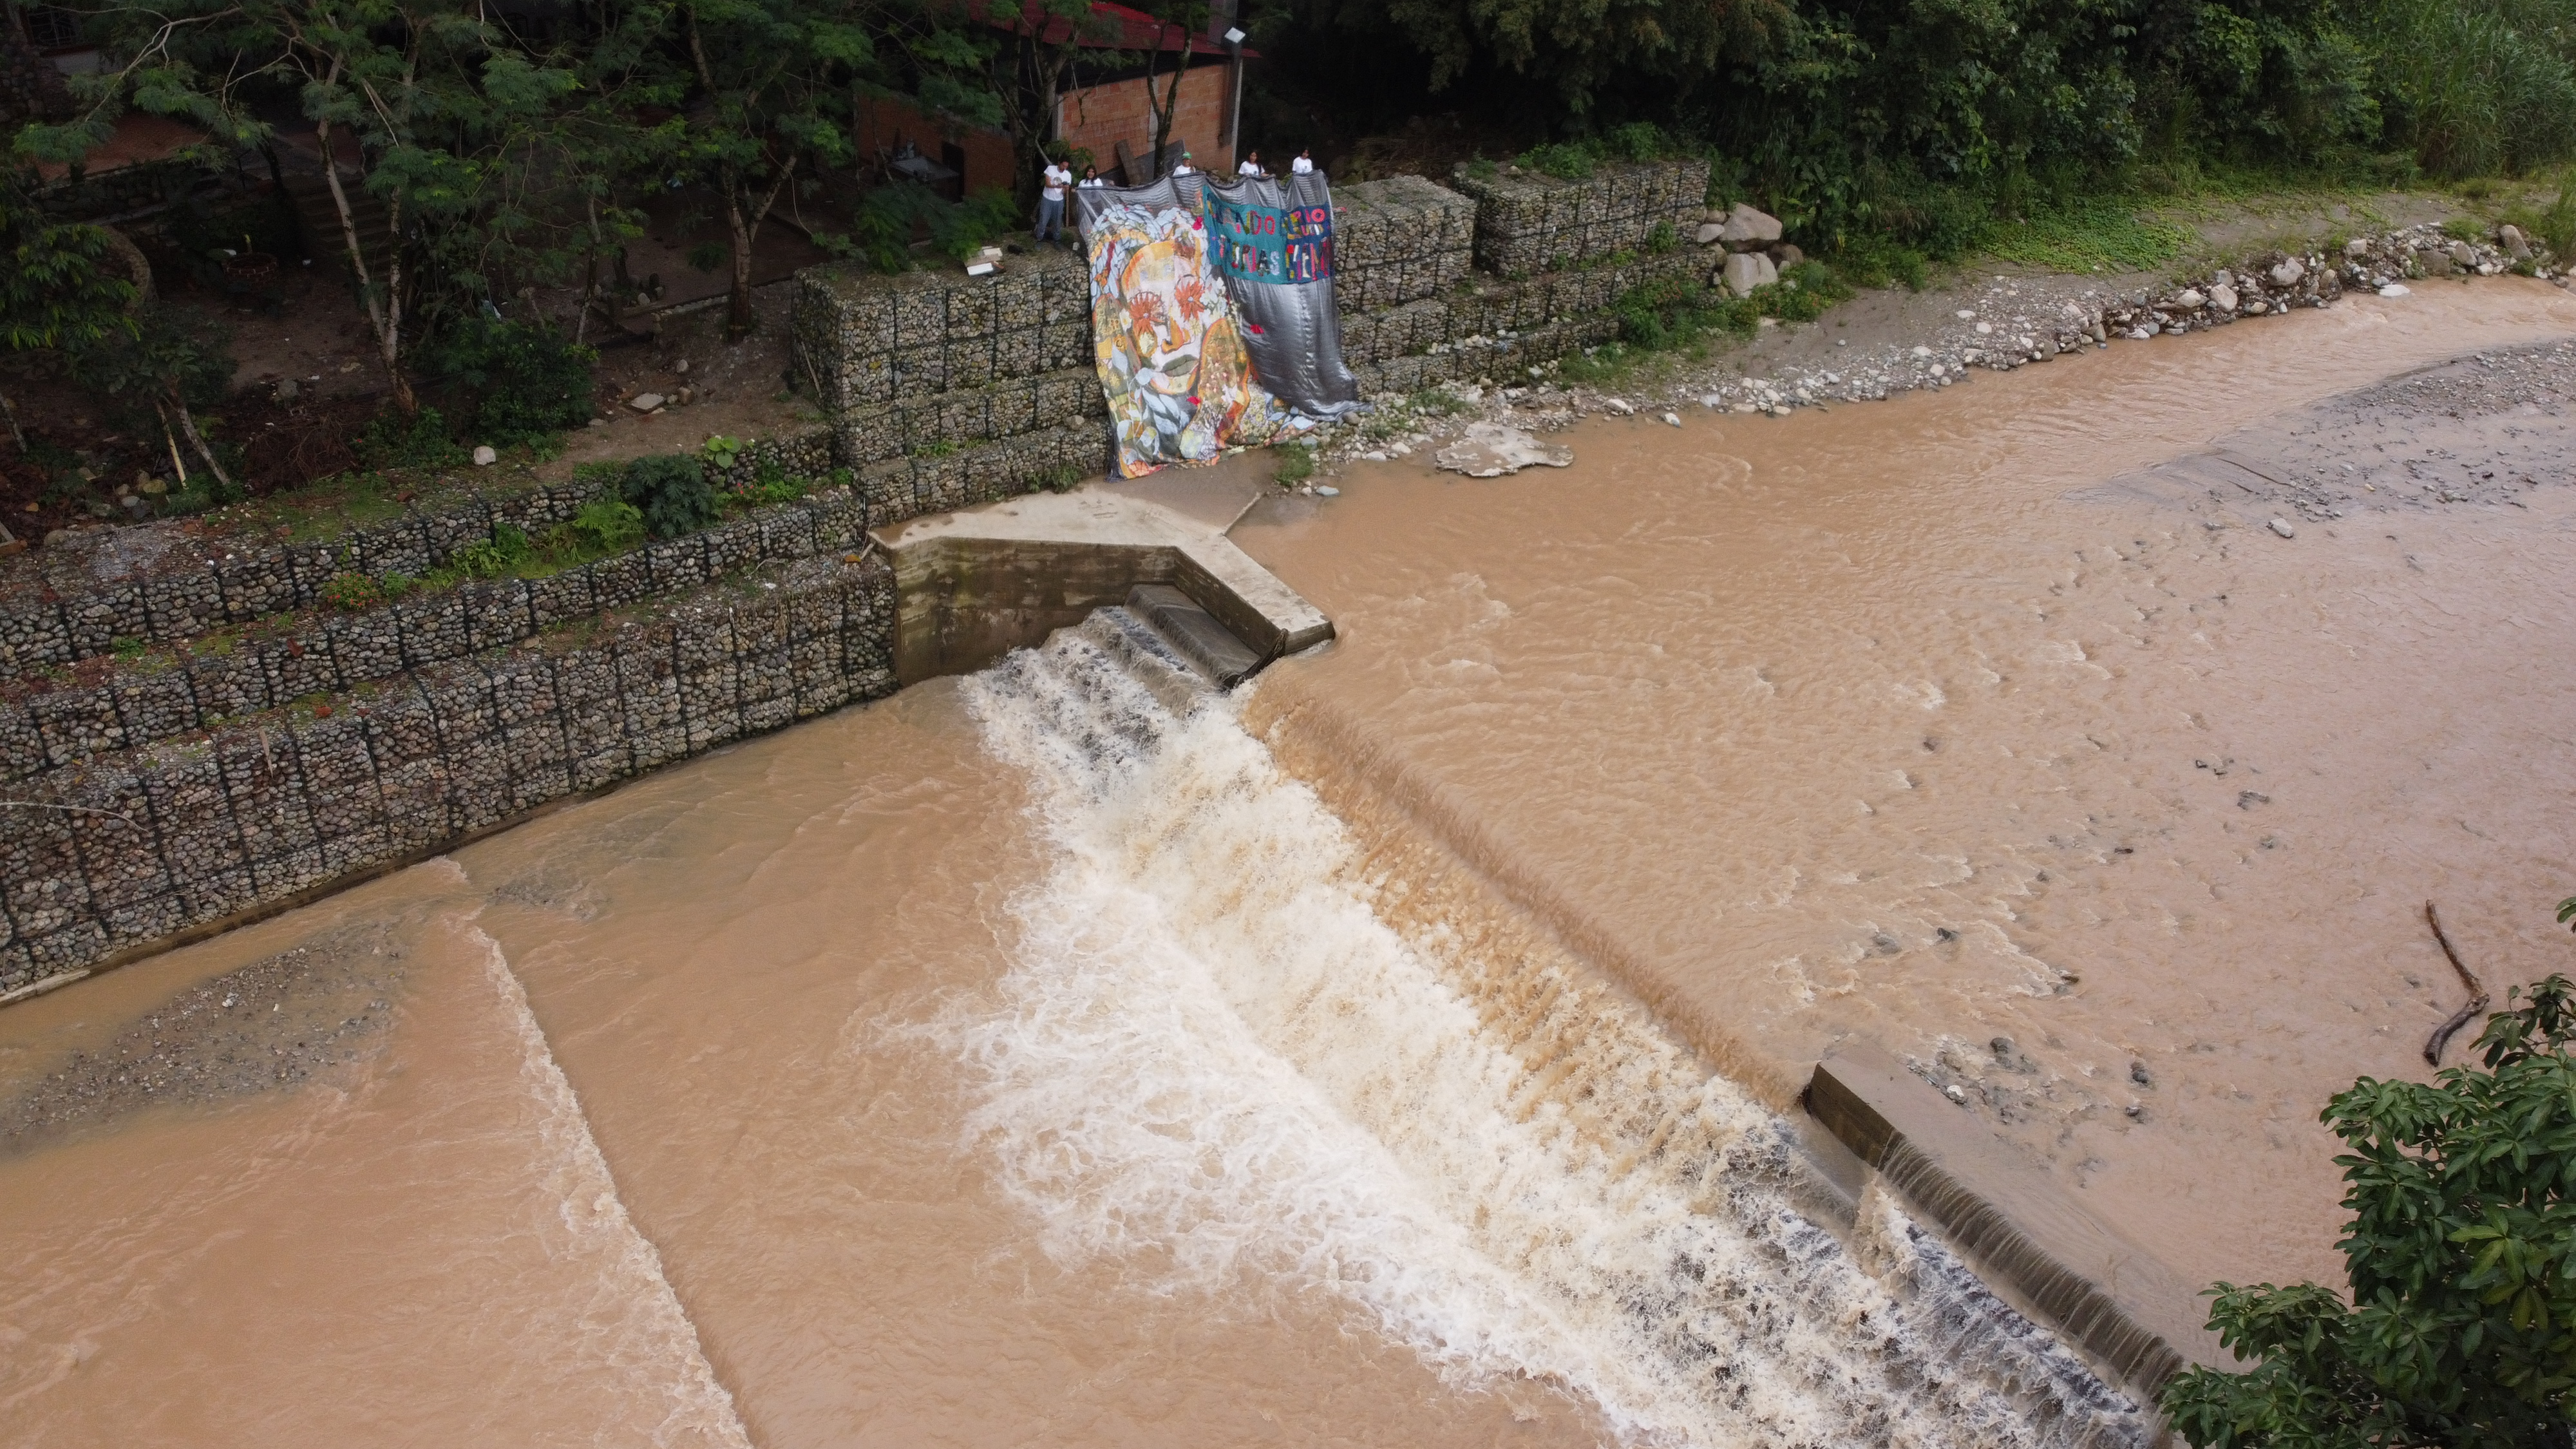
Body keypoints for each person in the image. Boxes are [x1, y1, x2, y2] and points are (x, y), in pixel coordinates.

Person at [1036, 156, 1072, 244]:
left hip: (1059, 200)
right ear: (1060, 163)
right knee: (1044, 220)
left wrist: (1065, 188)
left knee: (1057, 221)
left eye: (1066, 167)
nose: (1064, 169)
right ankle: (1039, 238)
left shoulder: (1068, 175)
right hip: (1047, 198)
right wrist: (1057, 186)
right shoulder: (1051, 169)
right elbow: (1047, 184)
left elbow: (1064, 191)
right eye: (1063, 166)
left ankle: (1057, 240)